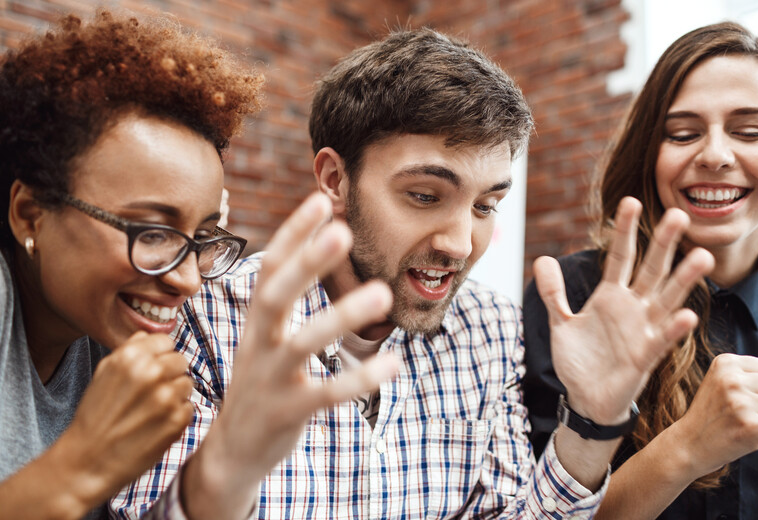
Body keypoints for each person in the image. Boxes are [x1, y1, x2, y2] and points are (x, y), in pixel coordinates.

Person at [113, 28, 714, 519]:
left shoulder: (489, 326)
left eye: (485, 206)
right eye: (425, 195)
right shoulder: (204, 313)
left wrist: (590, 427)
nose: (460, 243)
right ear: (334, 179)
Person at [0, 10, 392, 520]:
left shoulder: (112, 333)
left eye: (203, 237)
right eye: (152, 231)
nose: (186, 281)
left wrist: (222, 472)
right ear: (30, 214)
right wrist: (81, 465)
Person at [523, 21, 758, 519]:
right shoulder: (574, 298)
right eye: (683, 133)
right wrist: (686, 446)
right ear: (652, 151)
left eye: (749, 131)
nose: (714, 155)